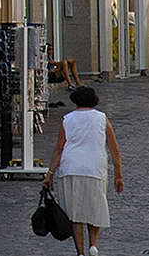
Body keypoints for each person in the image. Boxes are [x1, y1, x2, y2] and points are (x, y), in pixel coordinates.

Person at [41, 86, 123, 256]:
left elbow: (59, 149)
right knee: (95, 206)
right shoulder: (101, 118)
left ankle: (80, 252)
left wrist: (49, 174)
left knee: (75, 211)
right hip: (95, 167)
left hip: (70, 167)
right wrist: (118, 175)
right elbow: (114, 149)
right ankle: (93, 244)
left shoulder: (67, 119)